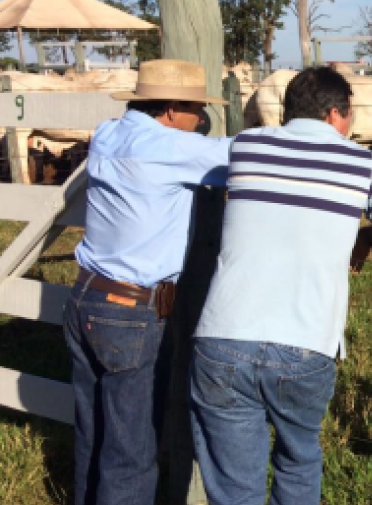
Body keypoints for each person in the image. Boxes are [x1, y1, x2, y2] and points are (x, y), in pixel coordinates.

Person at [189, 66, 372, 505]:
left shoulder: (246, 145)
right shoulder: (361, 162)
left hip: (222, 336)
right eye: (351, 116)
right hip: (306, 344)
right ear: (336, 114)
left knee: (234, 488)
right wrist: (366, 237)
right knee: (297, 459)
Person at [64, 59, 232, 505]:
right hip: (130, 311)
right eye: (197, 109)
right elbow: (242, 158)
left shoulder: (108, 133)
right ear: (173, 109)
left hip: (85, 296)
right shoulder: (170, 147)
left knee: (92, 435)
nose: (202, 121)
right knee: (131, 453)